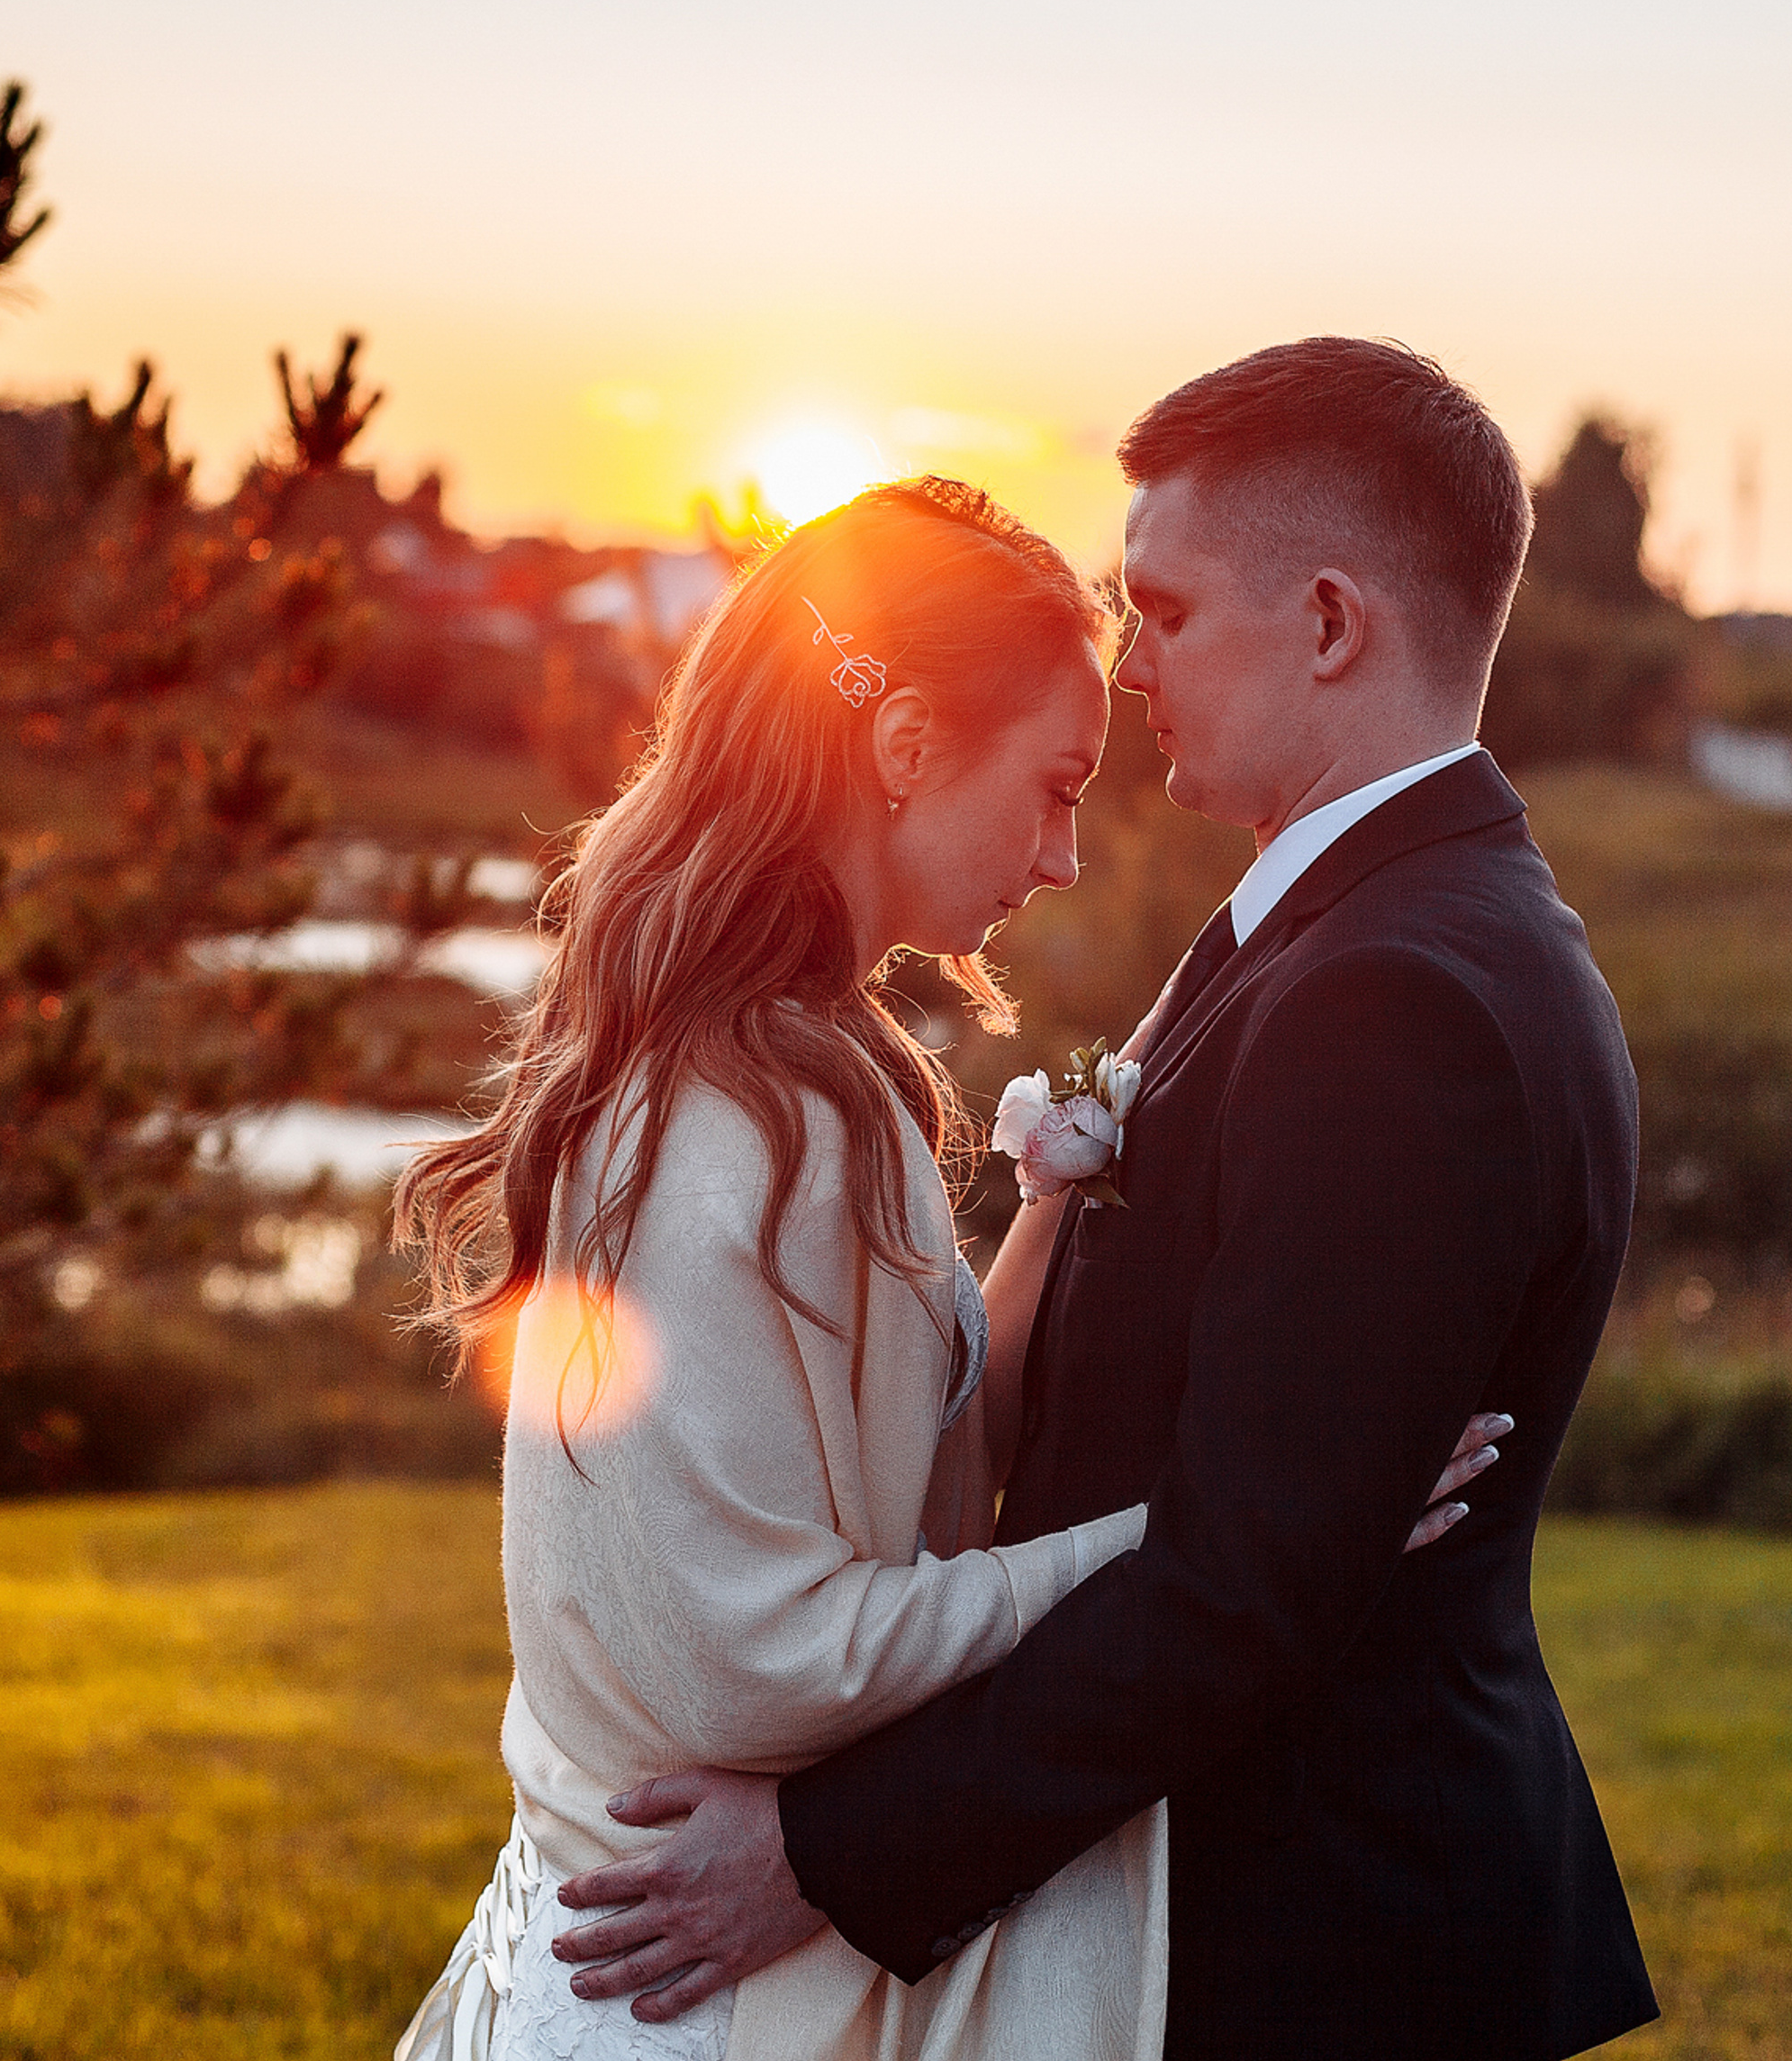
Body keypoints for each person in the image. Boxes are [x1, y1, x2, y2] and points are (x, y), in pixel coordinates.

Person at [550, 339, 1658, 2060]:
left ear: (1332, 623)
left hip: (1314, 1939)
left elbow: (1249, 1589)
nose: (1130, 663)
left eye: (1168, 611)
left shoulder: (1402, 991)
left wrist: (832, 1860)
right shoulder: (1330, 933)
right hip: (1217, 1905)